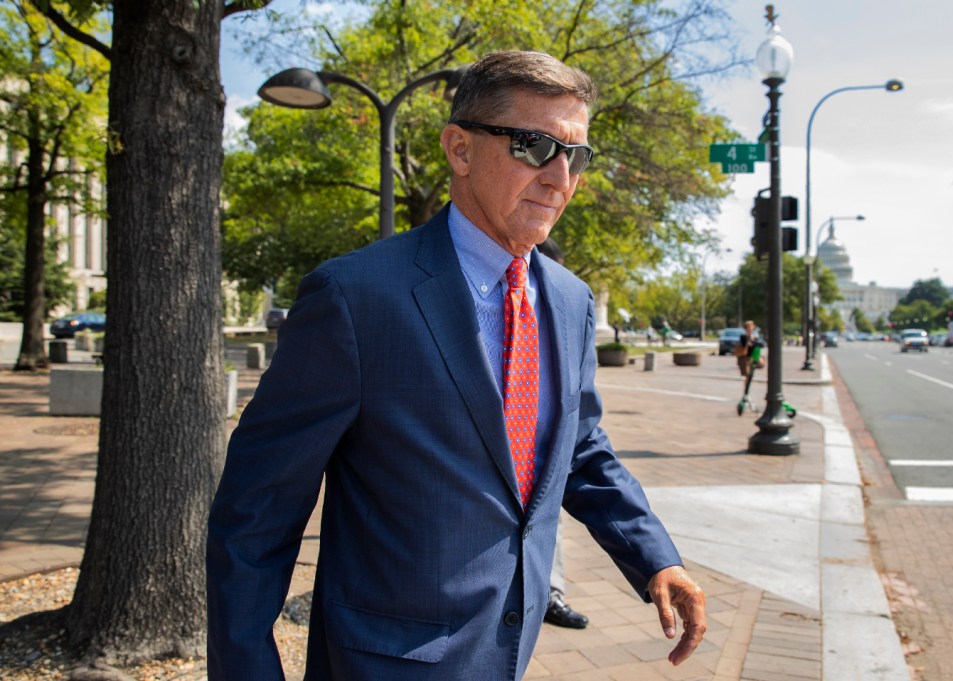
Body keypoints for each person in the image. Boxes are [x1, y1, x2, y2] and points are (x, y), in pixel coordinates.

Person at [207, 50, 705, 681]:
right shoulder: (355, 297)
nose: (560, 178)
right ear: (460, 149)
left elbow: (579, 450)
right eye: (533, 146)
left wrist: (655, 557)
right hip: (383, 663)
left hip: (512, 652)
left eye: (575, 155)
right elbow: (255, 515)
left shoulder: (570, 300)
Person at [535, 236, 588, 630]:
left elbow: (586, 434)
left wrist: (656, 559)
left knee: (550, 523)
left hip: (548, 462)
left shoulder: (573, 303)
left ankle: (549, 594)